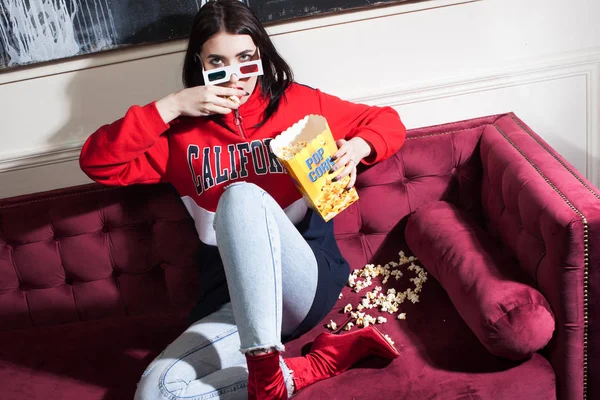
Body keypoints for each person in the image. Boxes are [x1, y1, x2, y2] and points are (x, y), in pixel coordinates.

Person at [79, 1, 406, 398]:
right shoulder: (178, 136)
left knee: (240, 197)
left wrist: (357, 147)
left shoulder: (300, 104)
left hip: (300, 286)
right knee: (155, 392)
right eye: (217, 62)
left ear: (262, 59)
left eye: (246, 60)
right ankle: (310, 367)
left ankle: (266, 366)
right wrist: (171, 106)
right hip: (232, 302)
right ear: (200, 66)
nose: (235, 76)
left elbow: (386, 121)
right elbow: (98, 162)